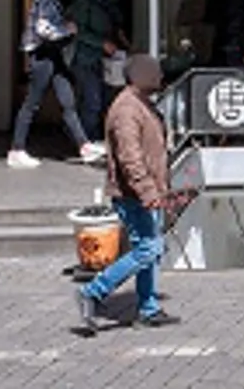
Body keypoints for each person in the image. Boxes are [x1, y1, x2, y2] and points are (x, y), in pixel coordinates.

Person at [75, 53, 175, 335]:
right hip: (133, 194)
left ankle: (148, 308)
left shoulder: (142, 105)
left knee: (150, 248)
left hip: (145, 191)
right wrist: (147, 190)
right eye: (153, 72)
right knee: (148, 249)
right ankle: (93, 291)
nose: (159, 76)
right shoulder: (127, 110)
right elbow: (130, 156)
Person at [9, 0, 106, 168]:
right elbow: (43, 29)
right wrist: (67, 30)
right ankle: (17, 148)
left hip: (52, 55)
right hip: (43, 55)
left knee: (67, 99)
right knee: (32, 102)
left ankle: (83, 145)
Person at [73, 0, 129, 146]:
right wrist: (102, 42)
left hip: (103, 56)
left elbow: (115, 19)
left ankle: (95, 137)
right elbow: (77, 29)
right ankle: (87, 139)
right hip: (86, 56)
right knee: (92, 100)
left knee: (104, 98)